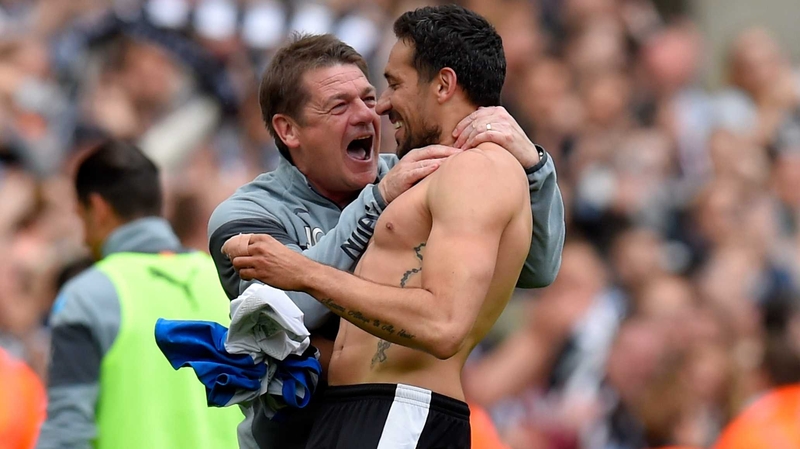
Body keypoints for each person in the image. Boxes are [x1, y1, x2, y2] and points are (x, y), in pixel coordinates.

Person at [209, 30, 564, 449]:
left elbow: (535, 268)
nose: (370, 112)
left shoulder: (418, 172)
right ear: (289, 130)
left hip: (387, 412)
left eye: (368, 95)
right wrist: (375, 201)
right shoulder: (246, 214)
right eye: (340, 106)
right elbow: (283, 310)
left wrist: (536, 168)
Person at [37, 141, 241, 449]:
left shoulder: (86, 296)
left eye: (82, 218)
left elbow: (67, 433)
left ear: (99, 209)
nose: (83, 238)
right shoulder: (229, 284)